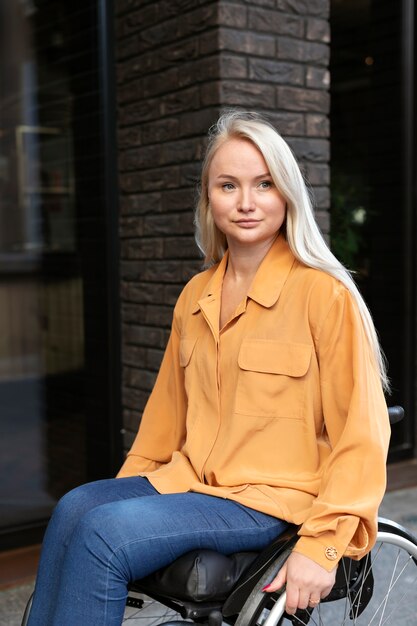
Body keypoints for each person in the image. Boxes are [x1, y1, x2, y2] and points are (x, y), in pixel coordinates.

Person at [27, 110, 390, 626]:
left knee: (101, 533)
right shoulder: (196, 296)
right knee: (75, 509)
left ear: (286, 193)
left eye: (264, 184)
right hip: (195, 483)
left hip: (272, 497)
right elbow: (163, 422)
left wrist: (324, 544)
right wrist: (127, 499)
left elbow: (362, 433)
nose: (246, 202)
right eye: (228, 185)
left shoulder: (322, 296)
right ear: (209, 199)